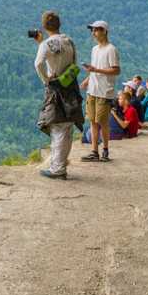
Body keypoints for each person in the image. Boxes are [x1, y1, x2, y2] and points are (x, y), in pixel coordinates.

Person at [34, 10, 83, 179]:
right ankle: (60, 164)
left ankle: (57, 168)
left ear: (44, 26)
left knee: (56, 126)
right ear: (59, 24)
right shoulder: (69, 41)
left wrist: (46, 79)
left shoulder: (46, 44)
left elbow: (38, 63)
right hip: (70, 86)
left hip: (55, 88)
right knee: (67, 126)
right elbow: (73, 63)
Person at [79, 20, 120, 163]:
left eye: (96, 30)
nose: (93, 33)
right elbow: (94, 69)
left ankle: (106, 150)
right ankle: (94, 151)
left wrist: (96, 70)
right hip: (93, 90)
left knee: (103, 122)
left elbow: (116, 70)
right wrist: (87, 79)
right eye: (92, 30)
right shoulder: (94, 49)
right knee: (92, 122)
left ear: (104, 31)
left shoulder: (111, 49)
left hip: (105, 91)